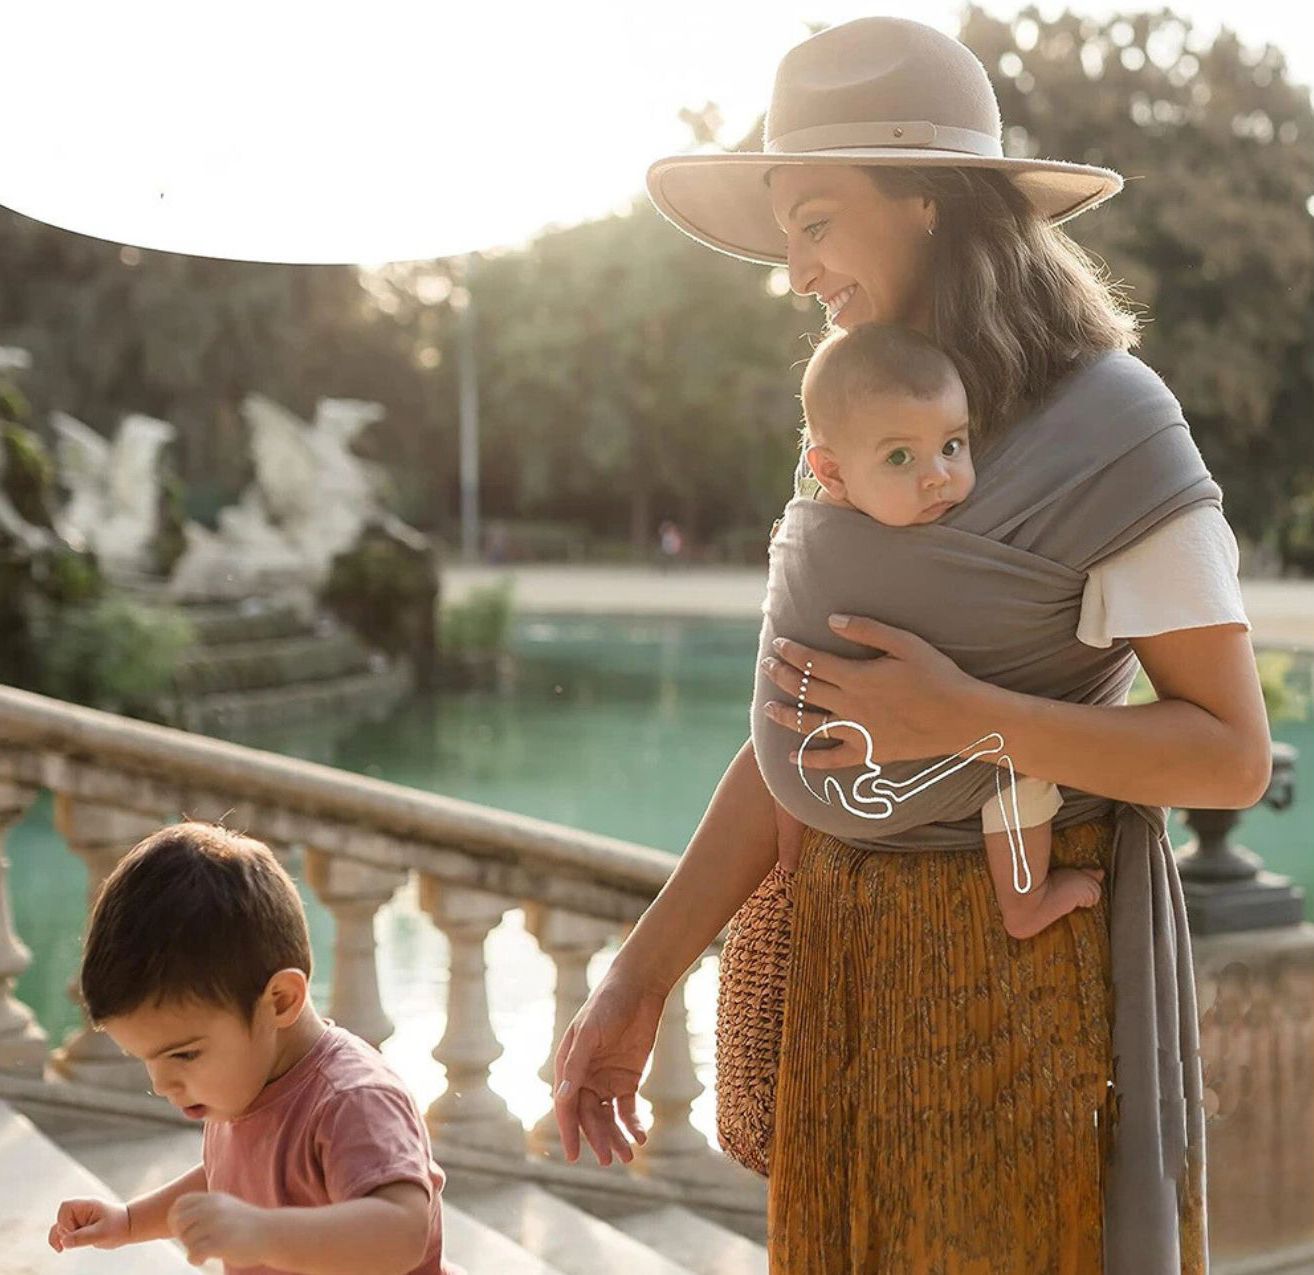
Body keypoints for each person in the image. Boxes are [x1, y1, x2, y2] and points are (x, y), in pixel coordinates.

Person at [554, 17, 1267, 1275]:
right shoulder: (868, 430)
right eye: (787, 231)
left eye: (817, 219)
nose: (796, 270)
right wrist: (637, 979)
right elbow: (804, 724)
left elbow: (1229, 758)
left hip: (1025, 1000)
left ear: (928, 201)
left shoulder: (1115, 433)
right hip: (843, 991)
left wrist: (965, 717)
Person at [769, 319, 1103, 941]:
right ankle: (1025, 902)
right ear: (832, 473)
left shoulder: (813, 527)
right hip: (866, 774)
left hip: (811, 783)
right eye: (900, 457)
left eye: (952, 445)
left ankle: (791, 854)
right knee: (1023, 753)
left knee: (792, 703)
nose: (938, 476)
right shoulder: (870, 555)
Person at [47, 822, 460, 1275]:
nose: (161, 1084)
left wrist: (262, 1234)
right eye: (146, 1058)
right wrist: (128, 1222)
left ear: (280, 1000)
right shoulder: (244, 1083)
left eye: (183, 1054)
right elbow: (228, 1178)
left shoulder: (351, 1099)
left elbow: (401, 1233)